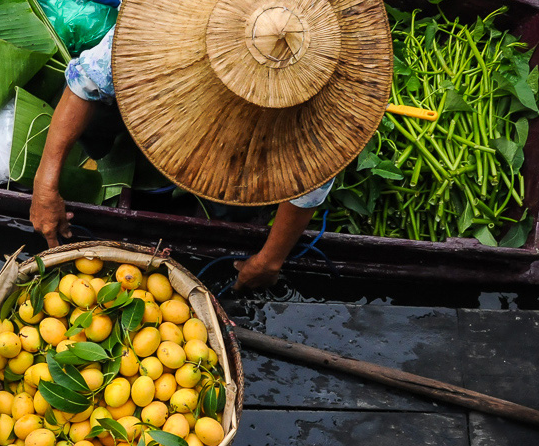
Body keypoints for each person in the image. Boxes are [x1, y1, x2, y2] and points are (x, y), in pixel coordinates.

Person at [29, 30, 333, 290]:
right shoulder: (161, 26)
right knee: (100, 118)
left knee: (227, 212)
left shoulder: (318, 89)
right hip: (168, 100)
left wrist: (269, 260)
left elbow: (313, 177)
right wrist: (44, 184)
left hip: (246, 155)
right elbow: (85, 81)